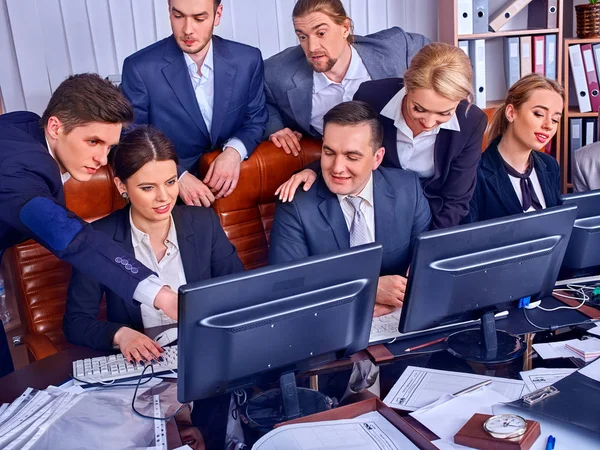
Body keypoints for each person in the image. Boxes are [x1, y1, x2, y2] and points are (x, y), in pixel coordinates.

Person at [63, 126, 243, 450]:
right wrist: (119, 334)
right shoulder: (100, 240)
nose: (164, 197)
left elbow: (239, 291)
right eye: (148, 187)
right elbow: (76, 322)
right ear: (121, 185)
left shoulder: (203, 223)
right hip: (142, 376)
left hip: (205, 364)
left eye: (171, 182)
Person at [0, 74, 178, 378]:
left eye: (108, 146)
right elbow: (73, 239)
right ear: (55, 127)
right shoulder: (19, 175)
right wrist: (161, 295)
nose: (101, 158)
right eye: (93, 142)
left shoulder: (27, 124)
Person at [275, 42, 488, 230]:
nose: (429, 124)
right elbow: (347, 143)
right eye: (419, 109)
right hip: (382, 213)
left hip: (440, 221)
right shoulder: (372, 97)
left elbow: (456, 200)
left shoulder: (471, 121)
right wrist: (314, 170)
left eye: (444, 113)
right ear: (407, 86)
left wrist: (427, 252)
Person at [269, 101, 431, 318]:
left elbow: (427, 266)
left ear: (377, 158)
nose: (337, 168)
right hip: (330, 323)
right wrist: (369, 290)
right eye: (329, 153)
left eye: (352, 157)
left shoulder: (407, 189)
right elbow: (288, 287)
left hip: (399, 318)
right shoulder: (296, 205)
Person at [121, 0, 268, 207]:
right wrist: (176, 177)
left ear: (218, 15)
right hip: (169, 198)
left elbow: (256, 119)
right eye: (178, 16)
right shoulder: (139, 68)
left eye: (199, 18)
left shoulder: (248, 60)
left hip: (236, 191)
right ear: (169, 11)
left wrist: (234, 152)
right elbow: (129, 137)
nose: (188, 30)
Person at [264, 0, 429, 156]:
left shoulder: (397, 47)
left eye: (321, 33)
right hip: (340, 169)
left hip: (402, 159)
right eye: (303, 37)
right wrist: (274, 127)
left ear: (345, 27)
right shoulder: (278, 72)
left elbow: (444, 60)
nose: (312, 47)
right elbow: (256, 98)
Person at [465, 74, 563, 223]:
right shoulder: (474, 175)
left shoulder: (550, 166)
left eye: (555, 119)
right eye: (539, 114)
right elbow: (469, 241)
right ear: (511, 113)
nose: (549, 125)